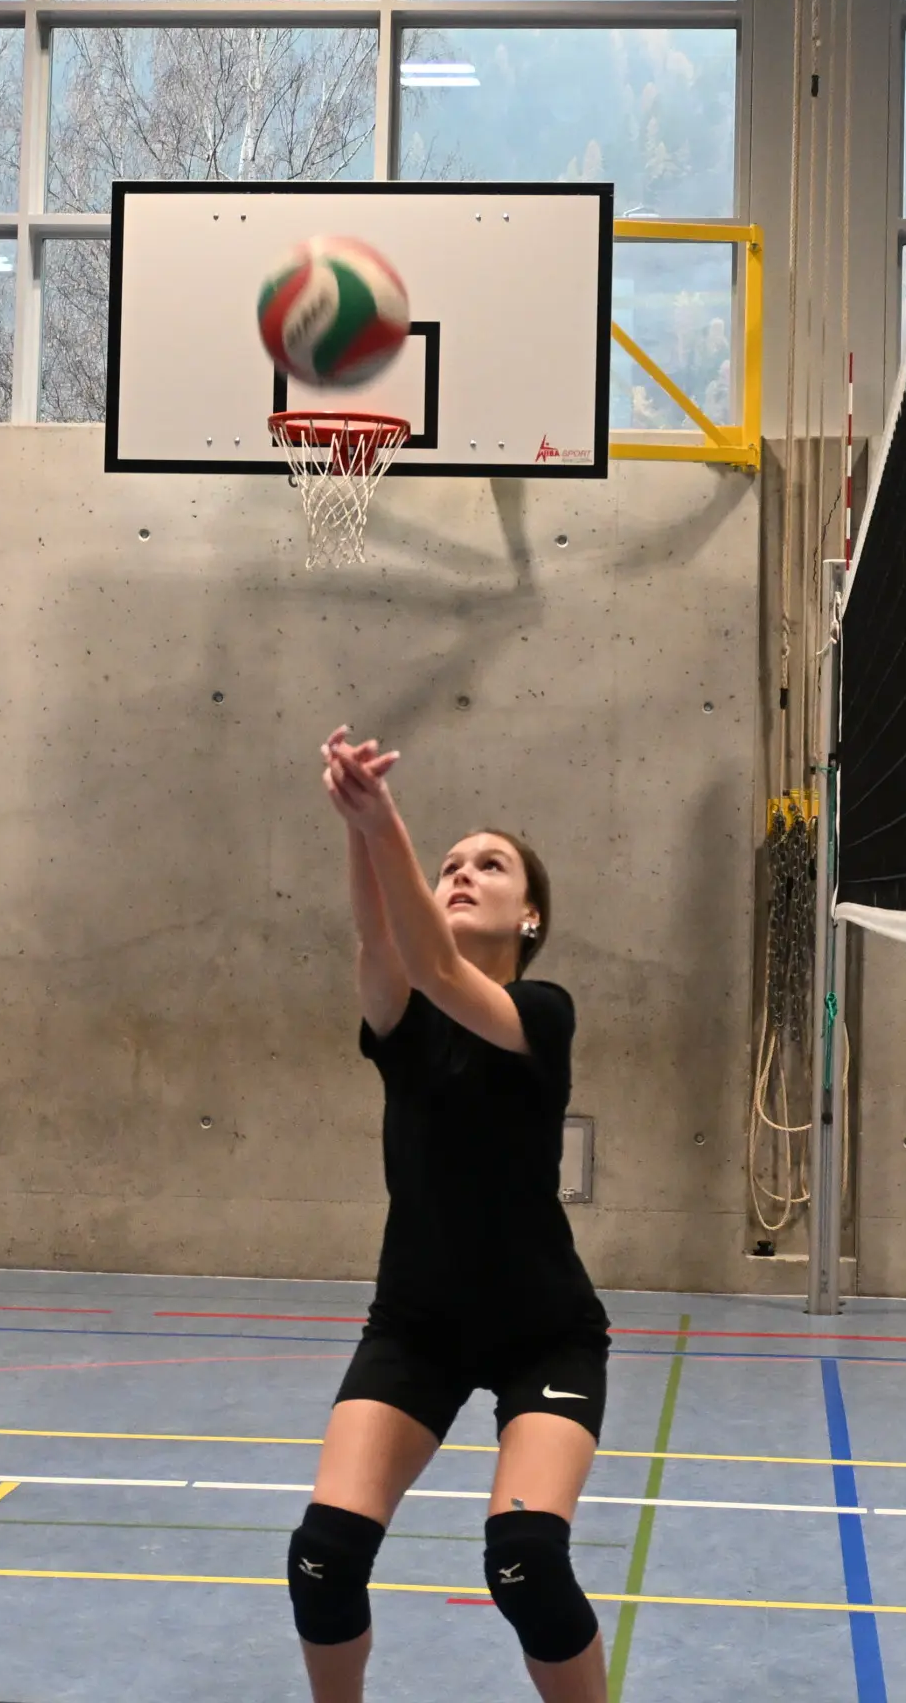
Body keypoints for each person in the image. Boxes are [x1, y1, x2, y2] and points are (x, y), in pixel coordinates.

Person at [285, 728, 610, 1703]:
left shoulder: (542, 1012)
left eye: (490, 865)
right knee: (323, 1559)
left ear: (531, 912)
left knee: (526, 1564)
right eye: (450, 863)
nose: (463, 872)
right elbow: (384, 945)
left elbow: (429, 959)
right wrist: (358, 824)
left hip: (543, 1331)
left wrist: (385, 820)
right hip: (417, 1324)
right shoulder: (401, 1019)